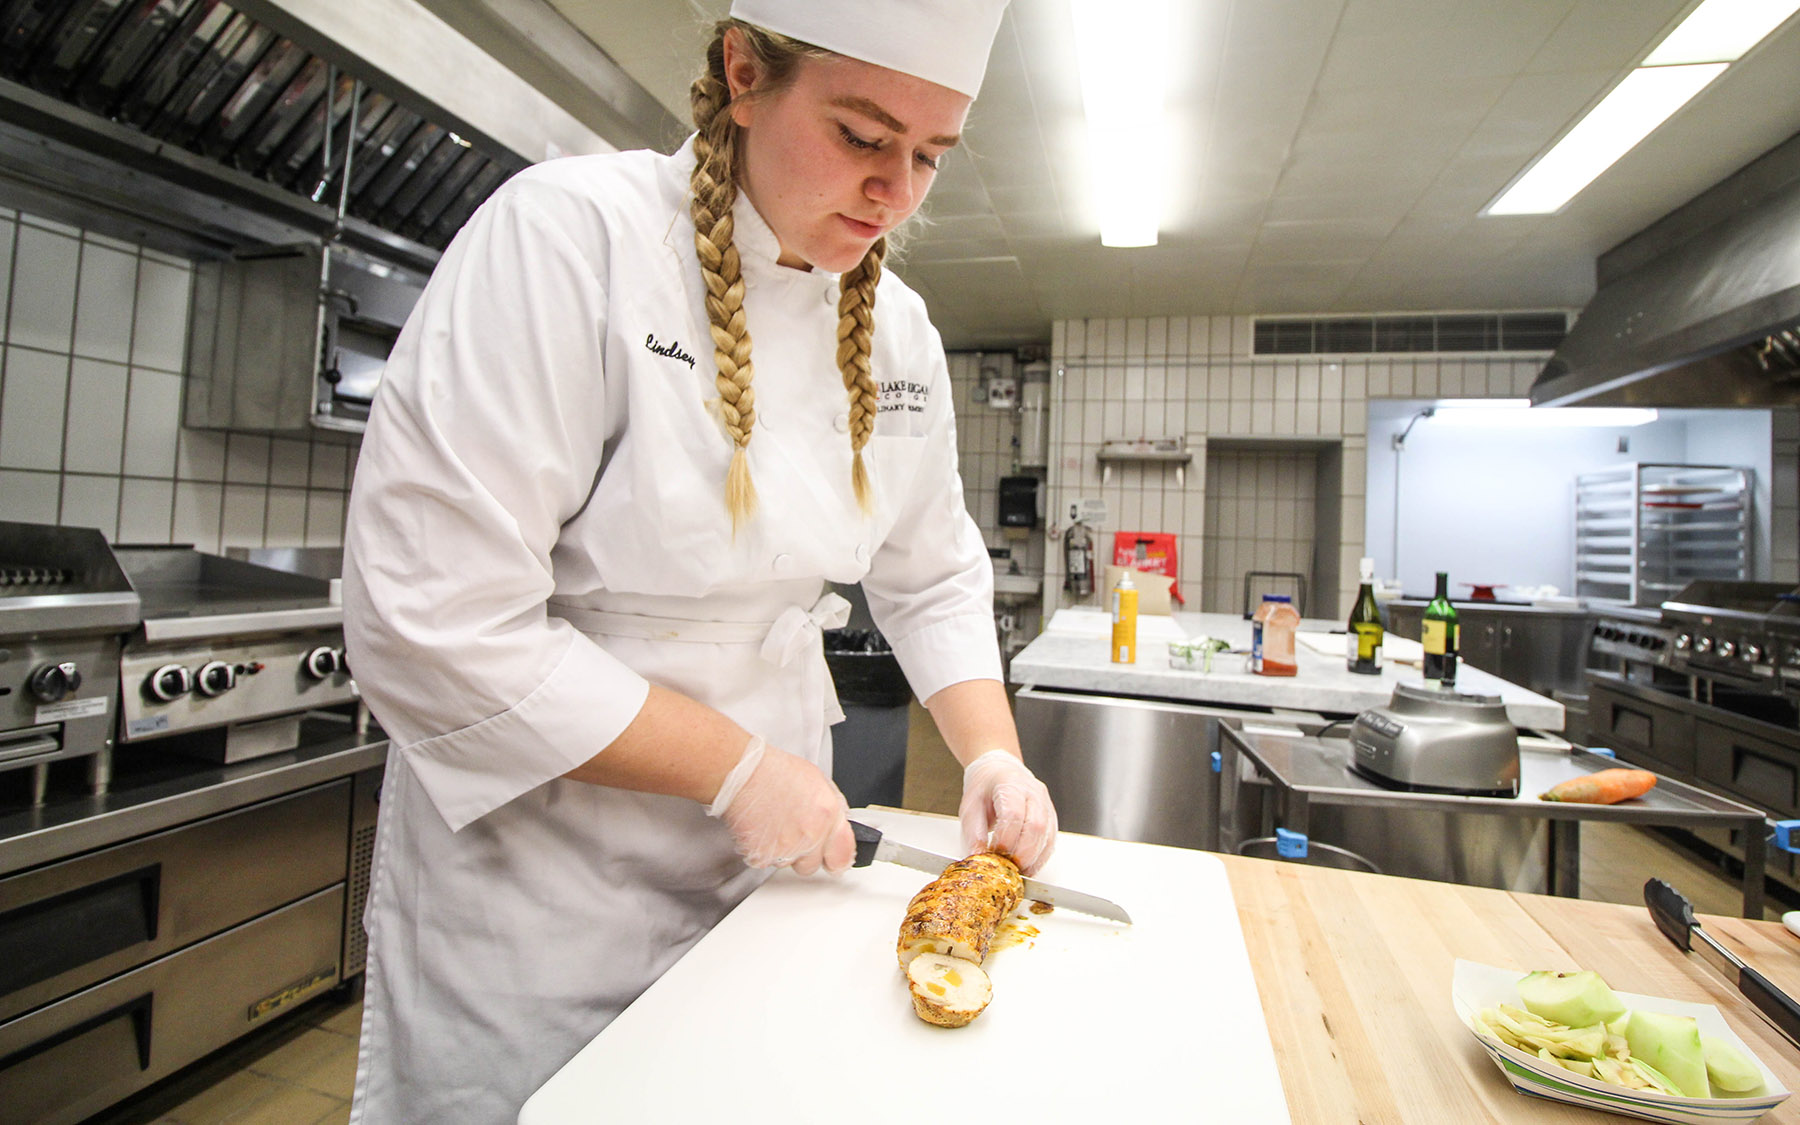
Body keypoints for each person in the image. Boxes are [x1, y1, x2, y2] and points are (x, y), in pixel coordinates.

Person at [340, 1, 1058, 1119]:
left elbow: (934, 571)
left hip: (766, 864)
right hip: (542, 882)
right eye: (865, 139)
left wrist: (991, 758)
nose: (898, 193)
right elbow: (436, 620)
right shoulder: (568, 239)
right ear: (742, 71)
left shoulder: (900, 330)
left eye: (929, 156)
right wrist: (733, 769)